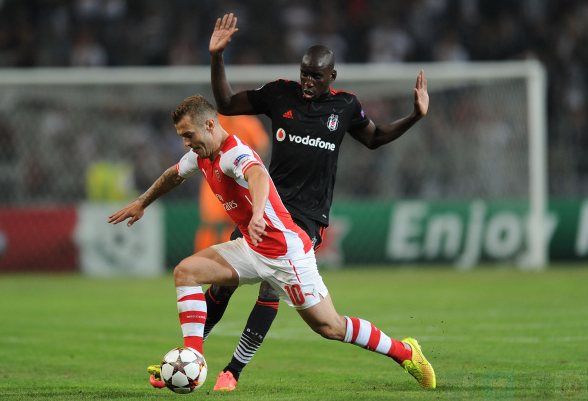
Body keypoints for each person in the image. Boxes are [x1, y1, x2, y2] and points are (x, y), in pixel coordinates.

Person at [108, 95, 436, 391]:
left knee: (330, 327)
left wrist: (258, 213)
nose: (185, 143)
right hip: (251, 249)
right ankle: (190, 360)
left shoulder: (233, 152)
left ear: (210, 125)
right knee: (186, 273)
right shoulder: (202, 154)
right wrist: (142, 202)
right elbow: (173, 175)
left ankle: (405, 352)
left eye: (188, 135)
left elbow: (258, 176)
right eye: (182, 136)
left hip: (285, 254)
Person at [194, 13, 431, 391]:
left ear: (331, 78)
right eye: (304, 73)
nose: (307, 81)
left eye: (315, 76)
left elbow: (375, 138)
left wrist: (415, 117)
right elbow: (224, 102)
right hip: (267, 206)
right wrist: (217, 56)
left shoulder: (346, 107)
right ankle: (190, 357)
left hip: (305, 219)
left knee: (274, 289)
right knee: (222, 285)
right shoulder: (279, 94)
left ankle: (232, 372)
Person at [194, 113, 269, 252]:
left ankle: (230, 258)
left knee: (233, 221)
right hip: (214, 178)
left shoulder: (248, 123)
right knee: (210, 223)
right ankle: (203, 257)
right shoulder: (213, 123)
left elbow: (262, 146)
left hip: (238, 181)